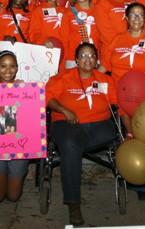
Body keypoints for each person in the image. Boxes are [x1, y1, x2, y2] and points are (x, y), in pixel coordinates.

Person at [46, 43, 118, 226]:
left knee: (74, 146)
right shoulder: (62, 78)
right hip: (66, 124)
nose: (88, 59)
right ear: (76, 60)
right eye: (83, 56)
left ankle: (72, 149)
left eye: (92, 56)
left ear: (97, 60)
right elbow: (48, 98)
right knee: (70, 144)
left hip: (98, 126)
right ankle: (73, 204)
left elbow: (117, 104)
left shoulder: (105, 80)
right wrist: (65, 110)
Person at [0, 50, 29, 202]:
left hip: (19, 147)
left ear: (17, 68)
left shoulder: (26, 90)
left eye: (12, 66)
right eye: (3, 66)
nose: (8, 70)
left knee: (14, 197)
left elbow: (32, 123)